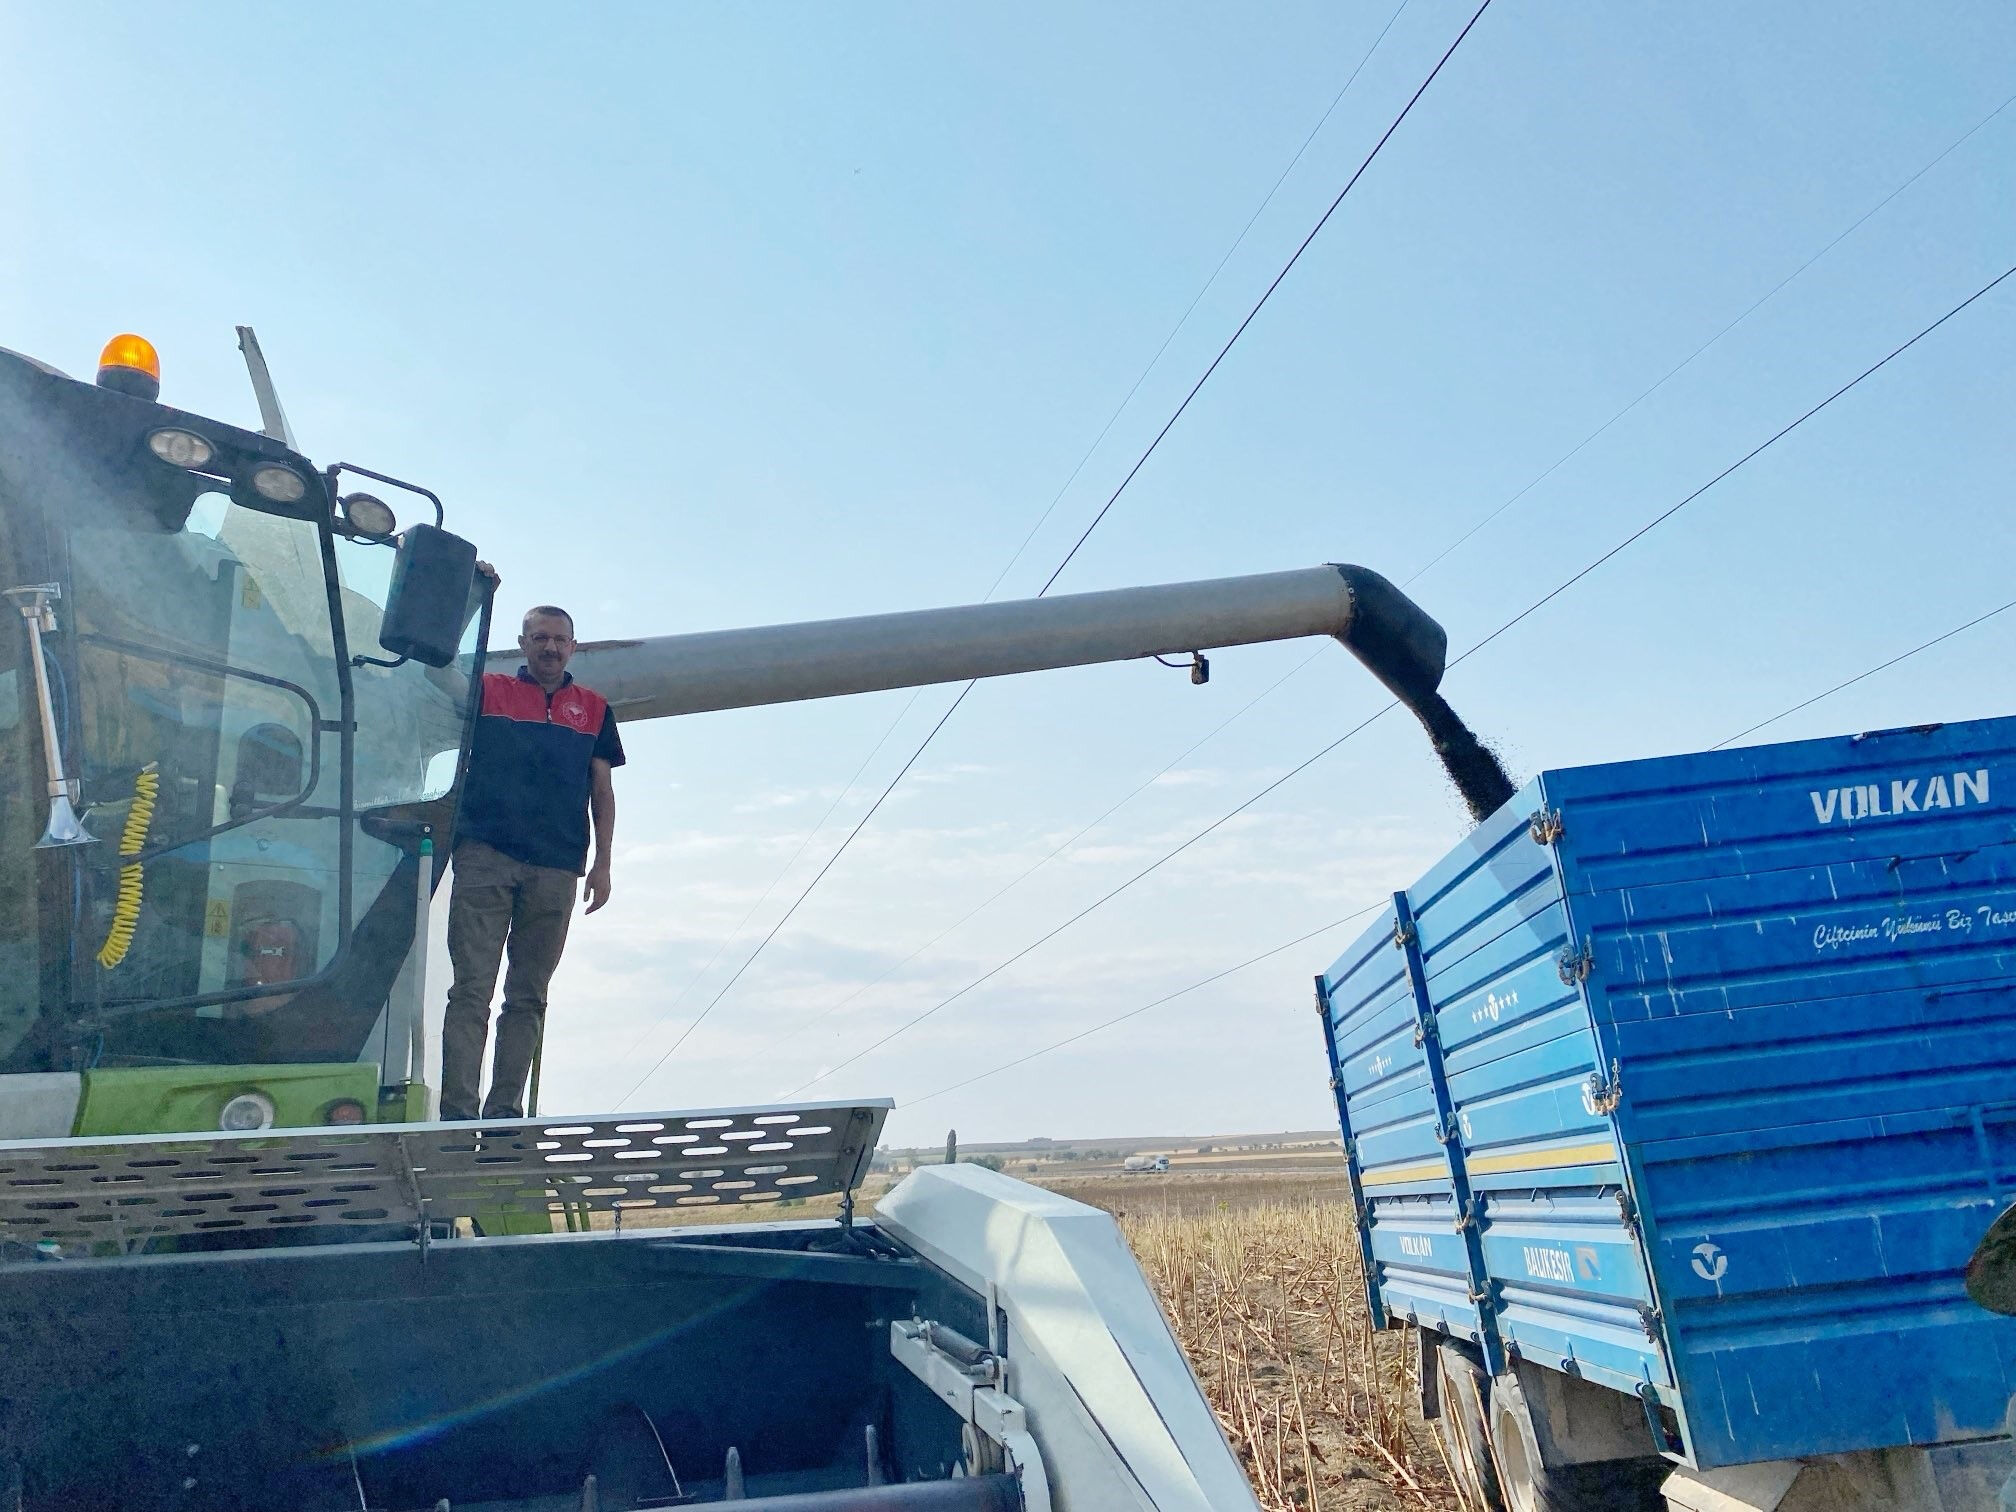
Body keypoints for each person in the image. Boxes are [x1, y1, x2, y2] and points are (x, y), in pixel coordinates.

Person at [439, 601, 624, 1120]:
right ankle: (457, 1118)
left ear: (573, 647)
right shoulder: (489, 691)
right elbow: (436, 672)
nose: (550, 647)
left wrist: (603, 863)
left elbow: (602, 791)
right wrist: (467, 597)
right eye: (540, 638)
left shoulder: (594, 709)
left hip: (557, 866)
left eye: (559, 639)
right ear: (522, 643)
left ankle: (504, 1116)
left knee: (528, 996)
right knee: (471, 989)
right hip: (485, 856)